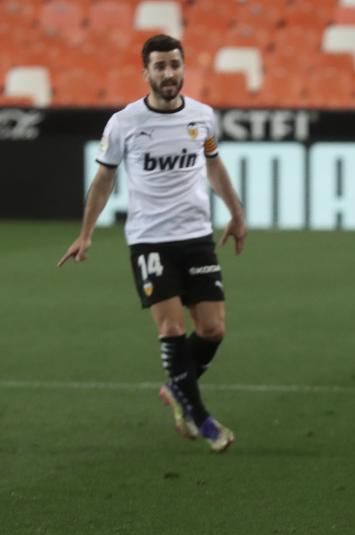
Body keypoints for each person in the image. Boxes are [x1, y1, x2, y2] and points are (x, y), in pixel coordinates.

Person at [57, 34, 246, 453]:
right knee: (171, 327)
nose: (168, 73)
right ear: (145, 73)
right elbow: (104, 179)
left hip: (196, 236)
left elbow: (213, 164)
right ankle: (202, 420)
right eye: (159, 67)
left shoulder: (202, 117)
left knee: (213, 330)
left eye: (174, 65)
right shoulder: (124, 124)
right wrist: (85, 232)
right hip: (150, 241)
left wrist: (235, 212)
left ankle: (176, 389)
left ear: (183, 68)